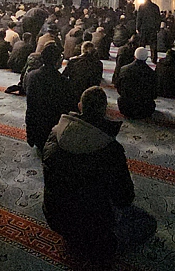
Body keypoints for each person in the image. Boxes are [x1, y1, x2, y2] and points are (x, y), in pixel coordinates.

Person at [42, 87, 155, 259]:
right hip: (94, 228)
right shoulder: (110, 149)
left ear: (80, 106)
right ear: (105, 110)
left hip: (55, 217)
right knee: (148, 223)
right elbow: (125, 197)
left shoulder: (54, 134)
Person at [25, 43, 77, 149]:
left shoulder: (31, 76)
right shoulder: (62, 81)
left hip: (34, 129)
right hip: (51, 131)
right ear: (57, 61)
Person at [116, 47, 158, 119]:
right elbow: (154, 94)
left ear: (134, 56)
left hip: (126, 108)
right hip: (145, 110)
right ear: (146, 58)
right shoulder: (152, 73)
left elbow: (119, 88)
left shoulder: (124, 69)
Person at [136, 0, 161, 64]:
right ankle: (154, 59)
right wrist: (157, 28)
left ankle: (140, 58)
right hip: (153, 29)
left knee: (142, 44)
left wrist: (137, 28)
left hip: (144, 28)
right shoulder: (155, 7)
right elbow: (158, 19)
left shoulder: (142, 7)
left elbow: (139, 18)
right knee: (153, 45)